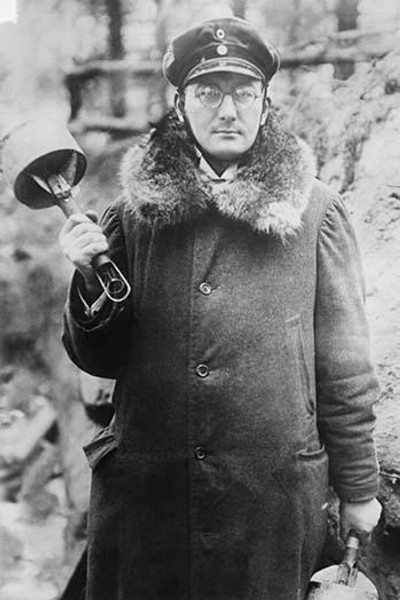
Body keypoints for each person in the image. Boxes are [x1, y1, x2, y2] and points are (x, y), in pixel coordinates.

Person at [60, 17, 382, 600]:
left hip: (269, 505)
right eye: (208, 92)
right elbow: (99, 360)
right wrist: (86, 278)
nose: (227, 109)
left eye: (243, 92)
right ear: (180, 105)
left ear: (265, 103)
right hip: (148, 501)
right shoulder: (133, 215)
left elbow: (347, 368)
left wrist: (359, 488)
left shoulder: (315, 213)